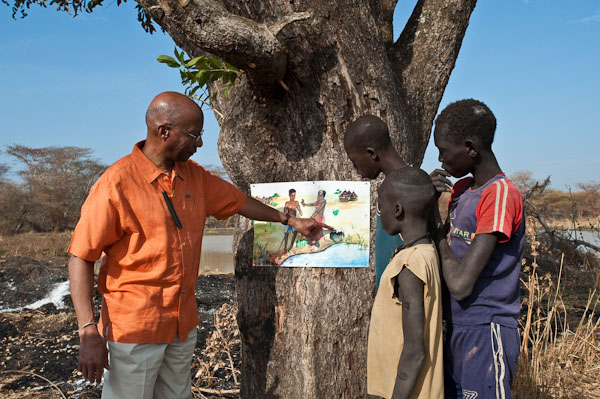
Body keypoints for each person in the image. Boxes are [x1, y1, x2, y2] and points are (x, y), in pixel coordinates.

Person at [67, 91, 330, 399]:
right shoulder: (116, 184)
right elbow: (80, 256)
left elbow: (239, 202)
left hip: (182, 325)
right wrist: (87, 331)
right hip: (134, 330)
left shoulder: (194, 177)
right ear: (164, 131)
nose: (200, 143)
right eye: (194, 135)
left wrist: (291, 220)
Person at [430, 99, 525, 399]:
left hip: (487, 329)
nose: (441, 159)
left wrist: (437, 236)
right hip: (457, 327)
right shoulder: (460, 191)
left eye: (444, 150)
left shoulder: (499, 195)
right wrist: (430, 203)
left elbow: (460, 284)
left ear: (470, 148)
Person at [367, 167, 443, 399]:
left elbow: (414, 352)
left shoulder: (410, 265)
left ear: (397, 209)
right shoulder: (425, 251)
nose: (380, 213)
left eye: (381, 207)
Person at [344, 115, 408, 287]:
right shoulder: (388, 185)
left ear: (371, 153)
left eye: (355, 162)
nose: (355, 169)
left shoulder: (408, 188)